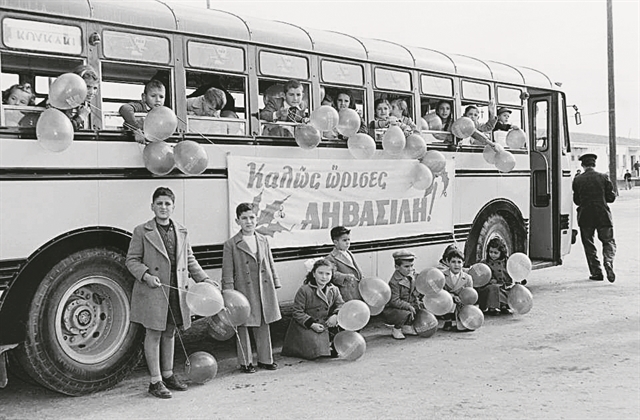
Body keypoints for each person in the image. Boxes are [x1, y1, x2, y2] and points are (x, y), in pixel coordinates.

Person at [125, 187, 218, 399]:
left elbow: (190, 260)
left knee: (170, 332)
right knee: (154, 333)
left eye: (167, 204)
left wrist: (203, 279)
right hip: (154, 291)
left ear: (173, 207)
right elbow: (131, 260)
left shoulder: (181, 231)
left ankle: (168, 374)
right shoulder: (142, 231)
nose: (163, 207)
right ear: (152, 206)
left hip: (176, 291)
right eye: (159, 203)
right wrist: (147, 276)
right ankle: (155, 380)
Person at [222, 203, 282, 373]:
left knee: (263, 322)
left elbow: (269, 262)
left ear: (257, 219)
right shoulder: (231, 244)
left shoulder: (263, 240)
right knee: (243, 324)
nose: (248, 221)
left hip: (263, 286)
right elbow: (227, 270)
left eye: (252, 218)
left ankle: (266, 359)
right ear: (237, 221)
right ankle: (246, 361)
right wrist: (229, 293)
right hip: (243, 289)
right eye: (244, 218)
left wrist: (275, 281)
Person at [281, 258, 344, 360]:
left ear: (332, 275)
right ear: (314, 274)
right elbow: (297, 312)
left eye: (328, 274)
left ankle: (329, 344)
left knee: (336, 346)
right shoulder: (304, 290)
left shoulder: (334, 289)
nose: (324, 277)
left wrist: (335, 315)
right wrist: (312, 324)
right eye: (320, 273)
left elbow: (341, 304)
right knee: (314, 351)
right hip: (306, 325)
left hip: (325, 323)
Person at [572, 153, 617, 282]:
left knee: (589, 245)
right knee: (608, 241)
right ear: (594, 164)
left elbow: (577, 200)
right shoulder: (603, 177)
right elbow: (611, 198)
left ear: (582, 165)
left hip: (585, 217)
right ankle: (608, 261)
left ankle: (596, 272)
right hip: (603, 216)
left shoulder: (578, 180)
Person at [382, 250, 423, 340]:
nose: (410, 269)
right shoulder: (394, 282)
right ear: (397, 267)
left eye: (411, 266)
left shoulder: (411, 276)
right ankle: (397, 328)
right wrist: (408, 306)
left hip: (407, 304)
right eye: (406, 266)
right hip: (394, 309)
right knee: (405, 313)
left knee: (418, 308)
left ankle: (407, 326)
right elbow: (394, 301)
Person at [476, 238, 520, 316]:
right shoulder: (485, 263)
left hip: (504, 285)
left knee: (511, 289)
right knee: (493, 289)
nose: (492, 255)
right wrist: (489, 280)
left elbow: (514, 271)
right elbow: (480, 275)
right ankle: (491, 307)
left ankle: (504, 306)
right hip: (489, 285)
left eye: (495, 253)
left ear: (501, 253)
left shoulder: (507, 262)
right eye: (491, 252)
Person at [325, 226, 363, 301]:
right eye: (344, 240)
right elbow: (332, 274)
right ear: (335, 242)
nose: (347, 242)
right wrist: (345, 276)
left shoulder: (349, 253)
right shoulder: (331, 257)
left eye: (349, 240)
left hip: (357, 289)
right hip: (346, 292)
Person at [442, 248, 474, 331]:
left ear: (463, 263)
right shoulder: (442, 276)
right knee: (445, 300)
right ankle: (448, 320)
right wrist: (451, 296)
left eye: (459, 262)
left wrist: (463, 299)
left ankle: (462, 320)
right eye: (453, 262)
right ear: (447, 262)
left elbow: (470, 294)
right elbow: (441, 292)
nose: (456, 265)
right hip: (448, 302)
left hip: (461, 303)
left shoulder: (467, 278)